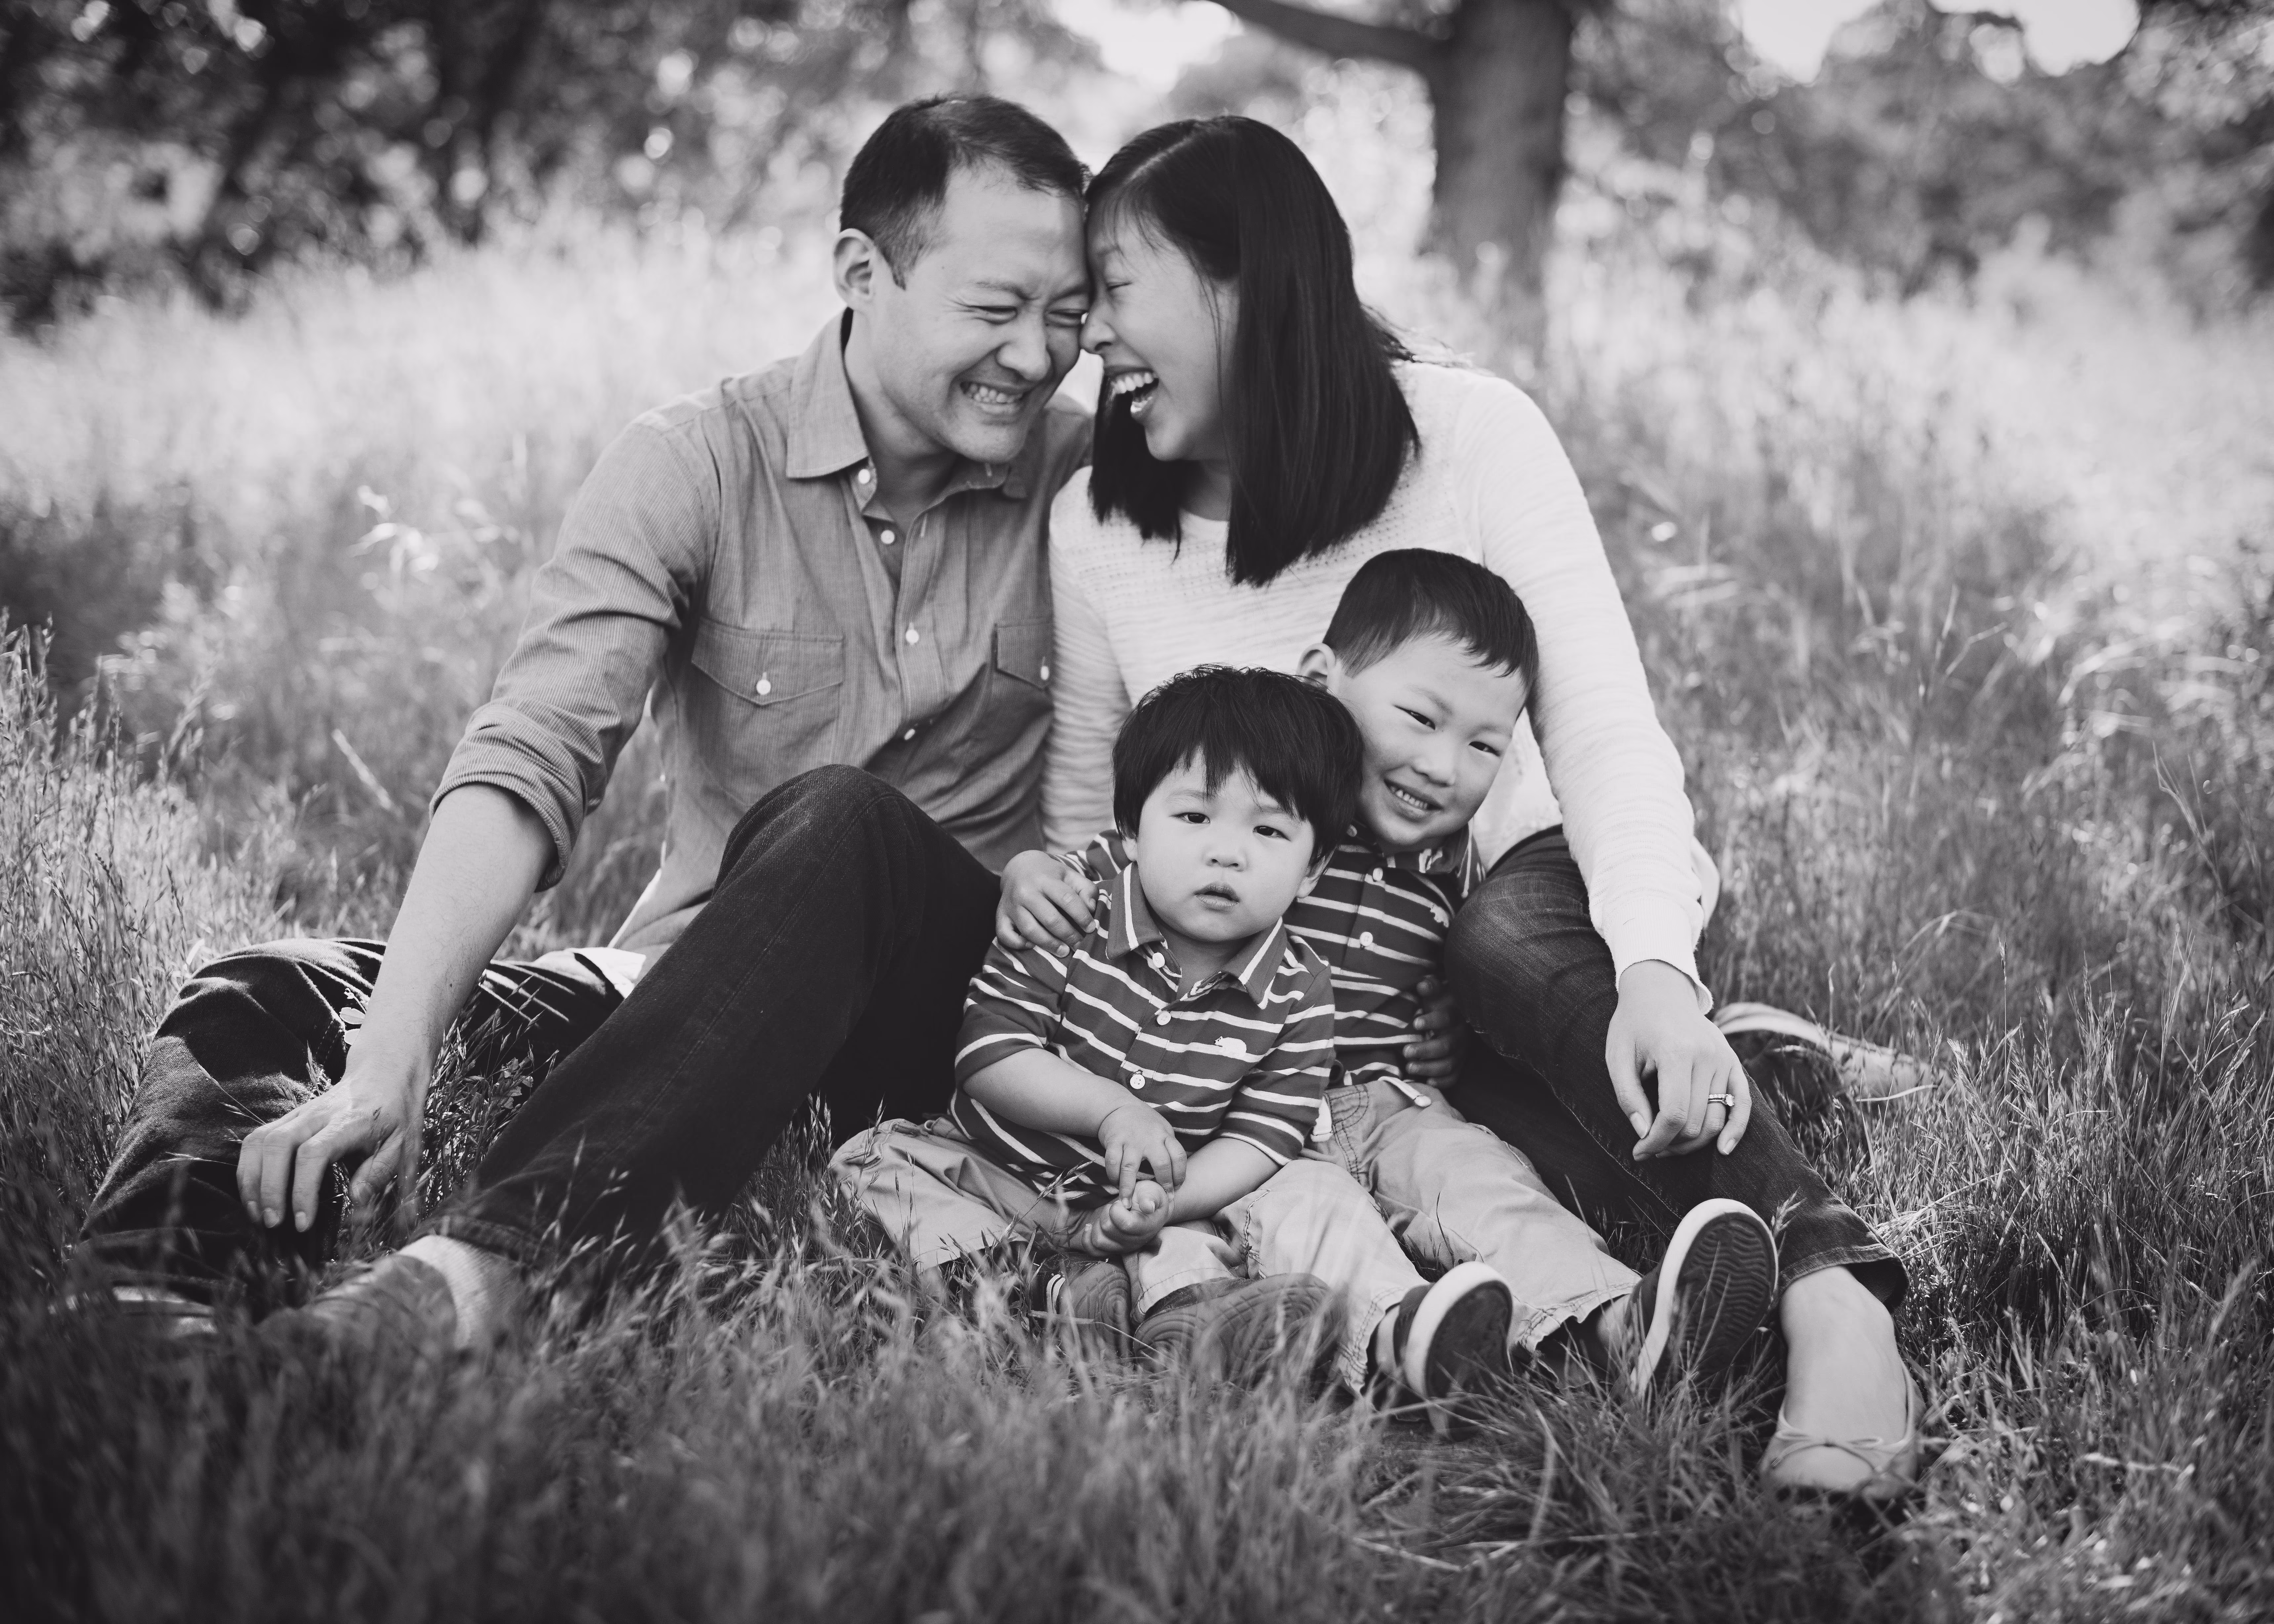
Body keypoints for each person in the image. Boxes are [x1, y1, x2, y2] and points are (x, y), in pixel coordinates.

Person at [75, 94, 1103, 1339]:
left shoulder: (1095, 483)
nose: (1036, 356)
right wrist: (392, 1058)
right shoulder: (695, 462)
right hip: (697, 990)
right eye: (995, 310)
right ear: (859, 271)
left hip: (952, 1026)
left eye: (1064, 317)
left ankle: (466, 1285)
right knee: (267, 985)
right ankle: (153, 1312)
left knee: (844, 825)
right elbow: (532, 753)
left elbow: (1282, 390)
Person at [1042, 115, 1918, 1499]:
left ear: (1245, 283)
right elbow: (1092, 813)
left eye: (1115, 282)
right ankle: (1646, 1259)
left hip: (1505, 898)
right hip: (1326, 1031)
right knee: (1516, 1139)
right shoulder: (1100, 520)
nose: (1088, 330)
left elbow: (1604, 730)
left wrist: (1653, 970)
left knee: (1504, 952)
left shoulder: (1469, 435)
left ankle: (1839, 1305)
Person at [1002, 550, 1783, 1401]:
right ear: (1321, 681)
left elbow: (1451, 977)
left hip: (1391, 1103)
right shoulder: (1265, 808)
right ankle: (1404, 1335)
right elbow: (1129, 862)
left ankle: (1617, 1320)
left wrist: (1449, 1023)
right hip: (1256, 1124)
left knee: (1483, 1183)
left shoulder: (1450, 863)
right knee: (1317, 1216)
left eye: (1485, 744)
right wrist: (1032, 871)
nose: (1444, 766)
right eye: (1419, 716)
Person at [835, 664, 1519, 1416]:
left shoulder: (1298, 986)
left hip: (1161, 1201)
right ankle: (1039, 1289)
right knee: (876, 1160)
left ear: (1314, 867)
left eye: (1268, 830)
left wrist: (1167, 1200)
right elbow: (990, 1055)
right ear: (1132, 825)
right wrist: (1110, 1111)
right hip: (1001, 1174)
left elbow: (1266, 1136)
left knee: (1205, 1236)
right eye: (1194, 818)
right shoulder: (1072, 910)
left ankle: (1200, 1327)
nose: (1227, 852)